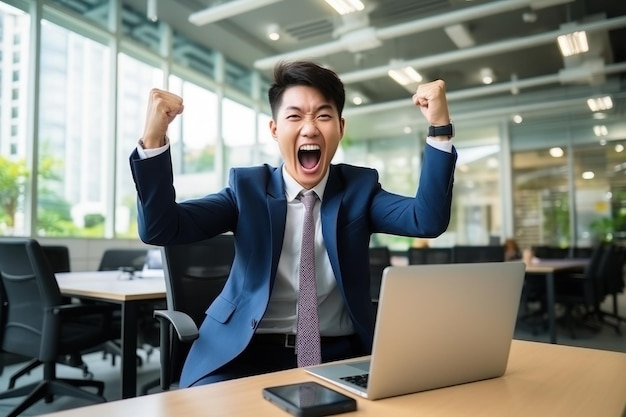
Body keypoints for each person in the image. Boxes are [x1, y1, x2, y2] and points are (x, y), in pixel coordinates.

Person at [129, 61, 457, 387]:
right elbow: (161, 228)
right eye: (295, 116)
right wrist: (154, 139)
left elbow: (425, 220)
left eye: (323, 116)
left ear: (341, 128)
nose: (310, 128)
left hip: (338, 354)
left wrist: (439, 127)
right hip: (243, 353)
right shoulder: (247, 190)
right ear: (275, 129)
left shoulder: (359, 190)